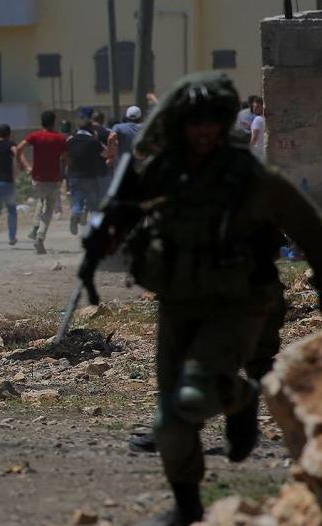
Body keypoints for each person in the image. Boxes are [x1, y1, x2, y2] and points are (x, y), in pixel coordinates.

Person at [81, 72, 322, 525]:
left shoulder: (251, 178)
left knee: (193, 394)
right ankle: (187, 504)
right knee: (168, 423)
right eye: (195, 122)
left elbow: (311, 231)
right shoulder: (164, 171)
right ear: (181, 124)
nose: (203, 132)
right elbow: (123, 217)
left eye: (212, 121)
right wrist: (105, 238)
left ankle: (241, 396)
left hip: (237, 303)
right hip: (178, 304)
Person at [17, 111, 68, 254]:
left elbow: (19, 148)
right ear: (54, 122)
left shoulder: (35, 136)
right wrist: (64, 174)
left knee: (41, 199)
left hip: (37, 178)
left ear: (41, 122)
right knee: (48, 209)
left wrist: (25, 166)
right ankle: (40, 237)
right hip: (53, 178)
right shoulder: (60, 138)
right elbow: (65, 158)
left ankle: (35, 227)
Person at [66, 112, 106, 236]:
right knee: (93, 204)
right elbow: (105, 154)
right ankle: (95, 230)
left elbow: (66, 157)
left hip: (74, 175)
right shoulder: (93, 141)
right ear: (90, 128)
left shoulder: (70, 140)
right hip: (90, 176)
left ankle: (75, 214)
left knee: (77, 200)